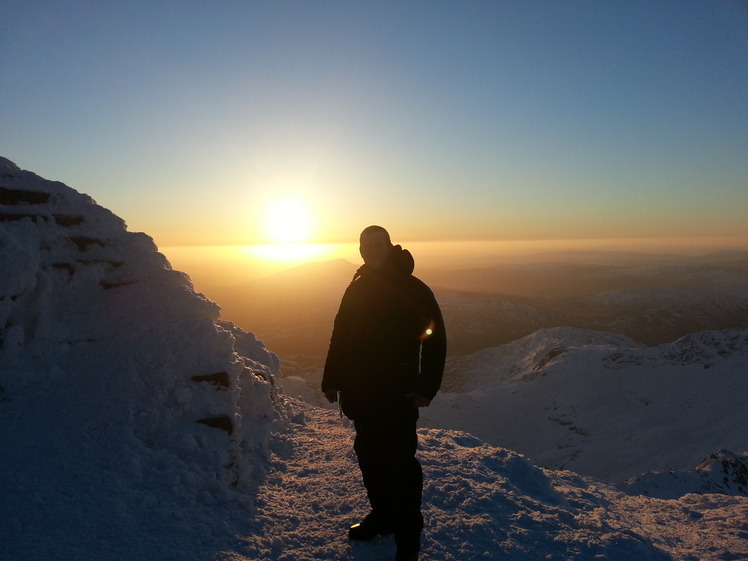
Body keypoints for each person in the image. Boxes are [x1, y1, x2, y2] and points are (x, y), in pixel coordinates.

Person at [322, 225, 447, 561]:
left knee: (401, 468)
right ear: (361, 249)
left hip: (396, 394)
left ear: (390, 246)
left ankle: (408, 542)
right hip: (360, 392)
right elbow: (340, 334)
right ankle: (383, 516)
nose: (372, 249)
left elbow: (434, 340)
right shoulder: (357, 286)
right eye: (367, 244)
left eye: (379, 244)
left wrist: (425, 387)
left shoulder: (413, 288)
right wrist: (331, 378)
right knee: (370, 458)